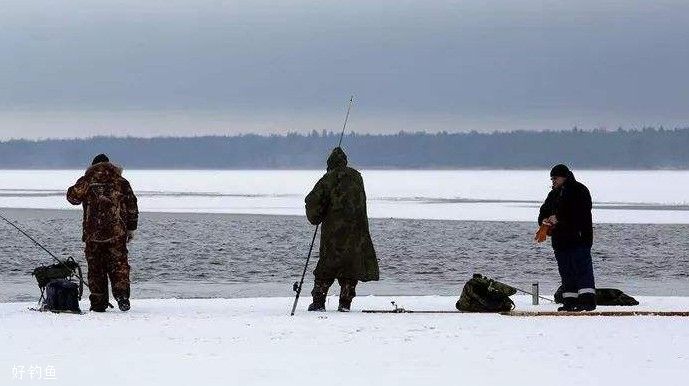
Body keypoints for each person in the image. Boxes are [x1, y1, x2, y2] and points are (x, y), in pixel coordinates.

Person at [305, 147, 379, 312]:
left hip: (334, 233)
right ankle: (345, 304)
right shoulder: (357, 178)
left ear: (330, 164)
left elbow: (313, 202)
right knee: (350, 268)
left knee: (326, 268)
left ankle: (318, 303)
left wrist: (317, 216)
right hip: (356, 233)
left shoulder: (328, 178)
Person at [67, 154, 138, 312]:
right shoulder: (121, 182)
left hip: (93, 234)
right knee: (119, 265)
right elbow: (132, 205)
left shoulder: (88, 180)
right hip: (117, 233)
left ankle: (98, 303)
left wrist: (84, 182)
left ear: (93, 166)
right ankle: (122, 297)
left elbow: (72, 198)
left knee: (96, 268)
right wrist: (131, 228)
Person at [538, 164, 596, 311]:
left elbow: (580, 214)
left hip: (579, 239)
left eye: (555, 178)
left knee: (582, 270)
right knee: (566, 272)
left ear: (564, 177)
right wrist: (544, 220)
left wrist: (559, 219)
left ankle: (587, 302)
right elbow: (544, 210)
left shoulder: (579, 190)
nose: (553, 182)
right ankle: (569, 302)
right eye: (552, 179)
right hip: (560, 242)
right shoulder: (553, 195)